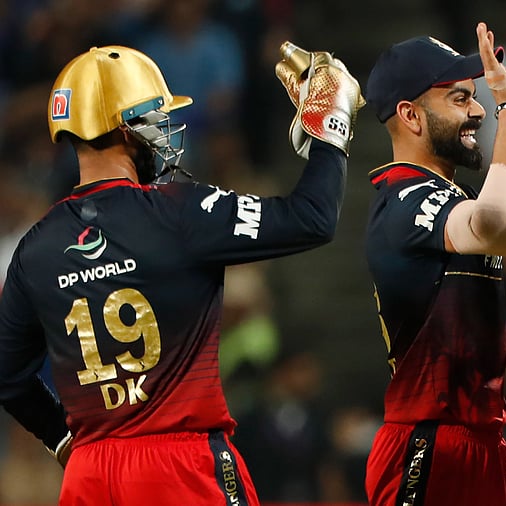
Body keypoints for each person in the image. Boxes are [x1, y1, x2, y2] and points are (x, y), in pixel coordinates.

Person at [0, 41, 364, 505]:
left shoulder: (34, 248)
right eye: (155, 119)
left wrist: (61, 439)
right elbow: (312, 218)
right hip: (180, 466)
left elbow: (8, 376)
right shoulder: (179, 212)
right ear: (128, 131)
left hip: (90, 474)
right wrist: (330, 128)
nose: (164, 132)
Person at [362, 21, 506, 506]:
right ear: (410, 115)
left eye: (475, 97)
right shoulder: (405, 199)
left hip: (481, 443)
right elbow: (496, 224)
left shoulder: (453, 201)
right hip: (428, 446)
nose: (476, 110)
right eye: (458, 99)